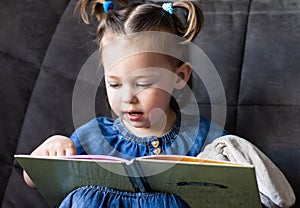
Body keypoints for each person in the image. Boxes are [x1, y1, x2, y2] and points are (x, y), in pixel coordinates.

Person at [23, 0, 228, 207]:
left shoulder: (203, 139)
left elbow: (240, 185)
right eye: (114, 84)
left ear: (179, 77)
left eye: (142, 83)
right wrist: (49, 150)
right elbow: (34, 179)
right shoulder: (92, 137)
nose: (127, 97)